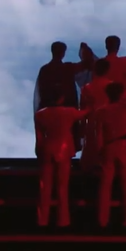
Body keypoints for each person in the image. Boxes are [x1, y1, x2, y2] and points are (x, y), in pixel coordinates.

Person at [34, 89, 89, 227]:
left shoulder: (40, 114)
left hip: (47, 149)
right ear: (62, 98)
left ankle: (42, 220)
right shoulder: (69, 112)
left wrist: (39, 151)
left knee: (44, 187)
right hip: (64, 149)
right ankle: (63, 220)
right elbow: (85, 113)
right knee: (62, 186)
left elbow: (39, 137)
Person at [95, 82, 126, 228]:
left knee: (105, 185)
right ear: (121, 94)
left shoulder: (101, 111)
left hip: (108, 146)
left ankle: (102, 219)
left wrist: (99, 151)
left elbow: (99, 135)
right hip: (123, 146)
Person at [35, 41, 95, 152]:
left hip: (48, 112)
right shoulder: (67, 68)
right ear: (63, 53)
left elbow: (41, 90)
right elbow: (87, 64)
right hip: (66, 111)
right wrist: (85, 50)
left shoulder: (45, 70)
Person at [78, 59, 113, 172]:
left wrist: (82, 125)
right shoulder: (112, 86)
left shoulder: (87, 87)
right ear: (107, 70)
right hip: (108, 121)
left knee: (90, 149)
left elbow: (83, 108)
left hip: (92, 121)